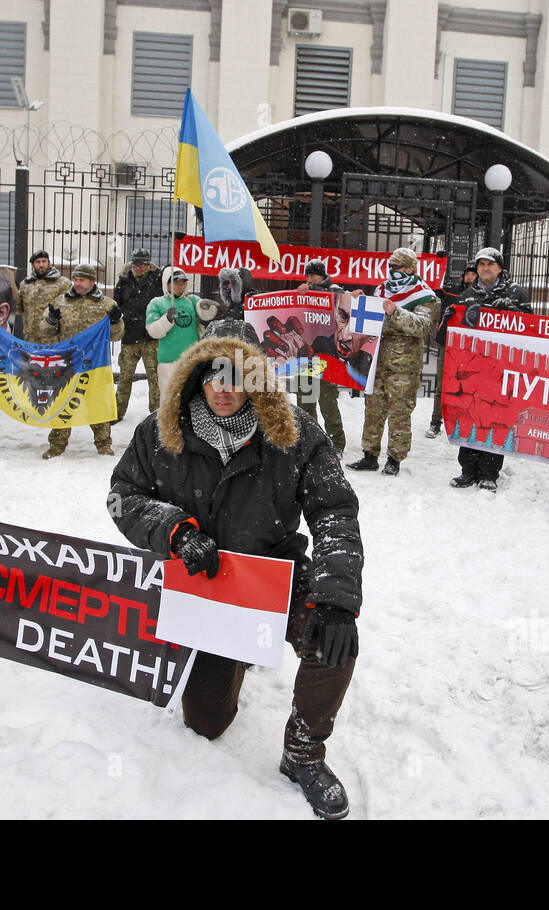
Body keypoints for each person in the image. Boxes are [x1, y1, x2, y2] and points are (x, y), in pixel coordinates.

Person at [107, 335, 362, 819]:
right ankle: (239, 654)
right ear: (197, 379)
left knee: (331, 638)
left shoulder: (296, 435)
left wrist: (337, 597)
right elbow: (123, 496)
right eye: (213, 377)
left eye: (237, 378)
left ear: (256, 384)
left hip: (274, 573)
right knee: (205, 722)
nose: (223, 389)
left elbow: (335, 513)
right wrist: (175, 533)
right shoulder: (161, 432)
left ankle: (303, 753)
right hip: (206, 586)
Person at [442, 247, 532, 490]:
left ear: (500, 268)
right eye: (481, 264)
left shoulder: (516, 293)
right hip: (473, 370)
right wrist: (449, 318)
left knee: (495, 418)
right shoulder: (468, 295)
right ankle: (467, 470)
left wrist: (515, 313)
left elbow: (531, 331)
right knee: (469, 417)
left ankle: (489, 473)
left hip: (502, 370)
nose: (485, 268)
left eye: (490, 264)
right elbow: (448, 337)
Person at [348, 246, 439, 476]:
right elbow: (369, 319)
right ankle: (370, 455)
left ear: (409, 268)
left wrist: (396, 312)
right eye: (390, 267)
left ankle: (394, 459)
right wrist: (358, 301)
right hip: (377, 361)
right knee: (373, 409)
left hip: (404, 365)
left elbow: (422, 326)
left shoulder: (425, 295)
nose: (392, 271)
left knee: (399, 411)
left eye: (397, 267)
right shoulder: (382, 289)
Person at [42, 263, 124, 458]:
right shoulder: (59, 303)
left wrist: (115, 321)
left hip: (94, 365)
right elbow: (45, 331)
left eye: (82, 280)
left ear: (92, 281)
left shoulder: (106, 305)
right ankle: (57, 445)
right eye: (76, 279)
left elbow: (117, 335)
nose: (78, 283)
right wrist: (51, 320)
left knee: (97, 404)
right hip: (67, 364)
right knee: (62, 403)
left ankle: (103, 444)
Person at [295, 259, 346, 454]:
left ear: (322, 275)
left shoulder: (335, 291)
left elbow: (346, 305)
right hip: (305, 357)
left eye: (312, 275)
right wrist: (298, 295)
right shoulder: (303, 291)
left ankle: (337, 444)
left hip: (326, 358)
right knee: (305, 404)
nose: (309, 279)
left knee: (328, 404)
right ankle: (310, 442)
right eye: (306, 276)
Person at [145, 265, 218, 396]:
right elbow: (153, 331)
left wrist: (207, 307)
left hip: (192, 360)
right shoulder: (156, 303)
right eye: (176, 284)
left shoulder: (191, 300)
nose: (180, 287)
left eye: (183, 283)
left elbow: (205, 314)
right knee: (170, 399)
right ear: (166, 284)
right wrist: (167, 319)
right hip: (169, 361)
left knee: (192, 398)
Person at [426, 262, 478, 439]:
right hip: (446, 343)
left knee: (468, 386)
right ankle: (436, 421)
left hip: (469, 347)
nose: (471, 277)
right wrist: (437, 262)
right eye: (468, 273)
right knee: (442, 385)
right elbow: (431, 285)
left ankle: (463, 422)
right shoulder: (451, 292)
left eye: (474, 274)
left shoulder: (482, 296)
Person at [112, 248, 164, 418]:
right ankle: (117, 412)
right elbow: (116, 306)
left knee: (154, 379)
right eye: (136, 264)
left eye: (143, 264)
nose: (139, 268)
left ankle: (156, 415)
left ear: (149, 265)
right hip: (129, 337)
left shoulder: (158, 280)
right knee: (124, 378)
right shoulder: (123, 281)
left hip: (151, 338)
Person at [15, 250, 70, 344]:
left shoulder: (62, 283)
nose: (41, 265)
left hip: (53, 340)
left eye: (44, 261)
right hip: (31, 340)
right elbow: (18, 309)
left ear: (49, 263)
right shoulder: (25, 285)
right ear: (33, 265)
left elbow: (68, 311)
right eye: (38, 262)